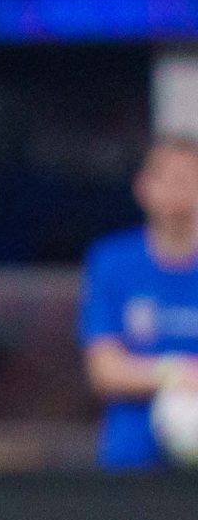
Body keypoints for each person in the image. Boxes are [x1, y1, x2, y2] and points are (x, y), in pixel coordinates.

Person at [80, 136, 198, 470]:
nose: (178, 191)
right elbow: (104, 370)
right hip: (131, 464)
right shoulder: (112, 262)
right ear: (143, 187)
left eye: (188, 179)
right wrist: (174, 373)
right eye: (168, 178)